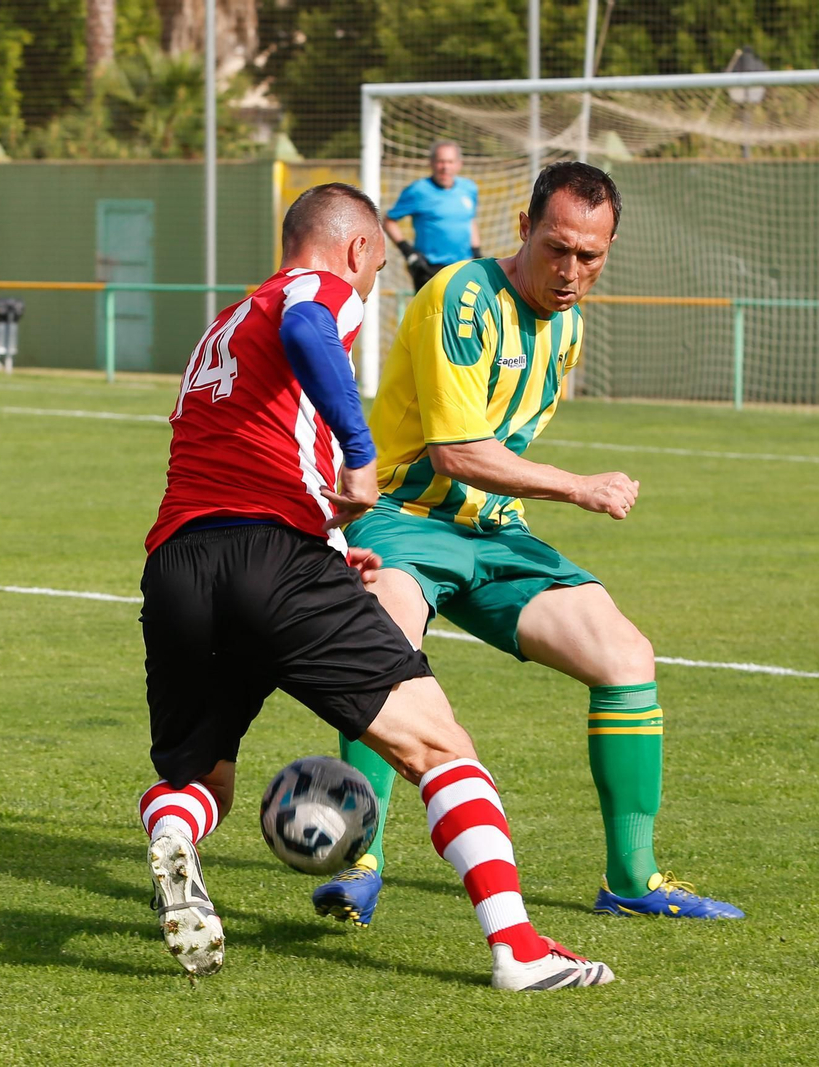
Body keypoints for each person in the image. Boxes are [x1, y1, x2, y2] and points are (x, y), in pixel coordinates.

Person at [136, 182, 613, 991]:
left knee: (200, 775)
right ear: (357, 250)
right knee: (441, 746)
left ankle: (174, 834)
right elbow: (309, 325)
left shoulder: (223, 324)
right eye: (375, 274)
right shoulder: (308, 291)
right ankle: (519, 950)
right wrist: (360, 450)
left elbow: (251, 450)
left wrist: (329, 541)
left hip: (179, 567)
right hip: (271, 559)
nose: (368, 290)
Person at [311, 163, 744, 930]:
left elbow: (492, 466)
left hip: (493, 531)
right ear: (524, 229)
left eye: (591, 256)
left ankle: (632, 876)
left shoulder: (568, 328)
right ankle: (360, 858)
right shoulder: (460, 296)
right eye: (558, 248)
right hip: (404, 516)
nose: (572, 270)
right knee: (384, 633)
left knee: (625, 656)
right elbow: (458, 452)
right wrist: (579, 486)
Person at [384, 141, 481, 292]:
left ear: (458, 164)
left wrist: (477, 252)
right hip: (430, 270)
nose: (445, 167)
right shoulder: (418, 190)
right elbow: (389, 221)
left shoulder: (469, 188)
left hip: (463, 268)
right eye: (440, 161)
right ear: (432, 163)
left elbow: (470, 220)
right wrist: (408, 252)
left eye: (450, 162)